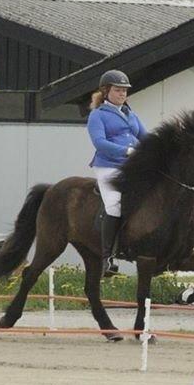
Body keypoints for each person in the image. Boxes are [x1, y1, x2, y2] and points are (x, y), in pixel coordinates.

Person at [87, 70, 148, 275]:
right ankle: (107, 258)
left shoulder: (131, 114)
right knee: (114, 205)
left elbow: (146, 137)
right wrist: (127, 151)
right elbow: (100, 143)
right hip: (108, 165)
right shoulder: (97, 115)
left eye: (124, 90)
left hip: (131, 167)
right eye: (118, 90)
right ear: (106, 91)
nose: (122, 94)